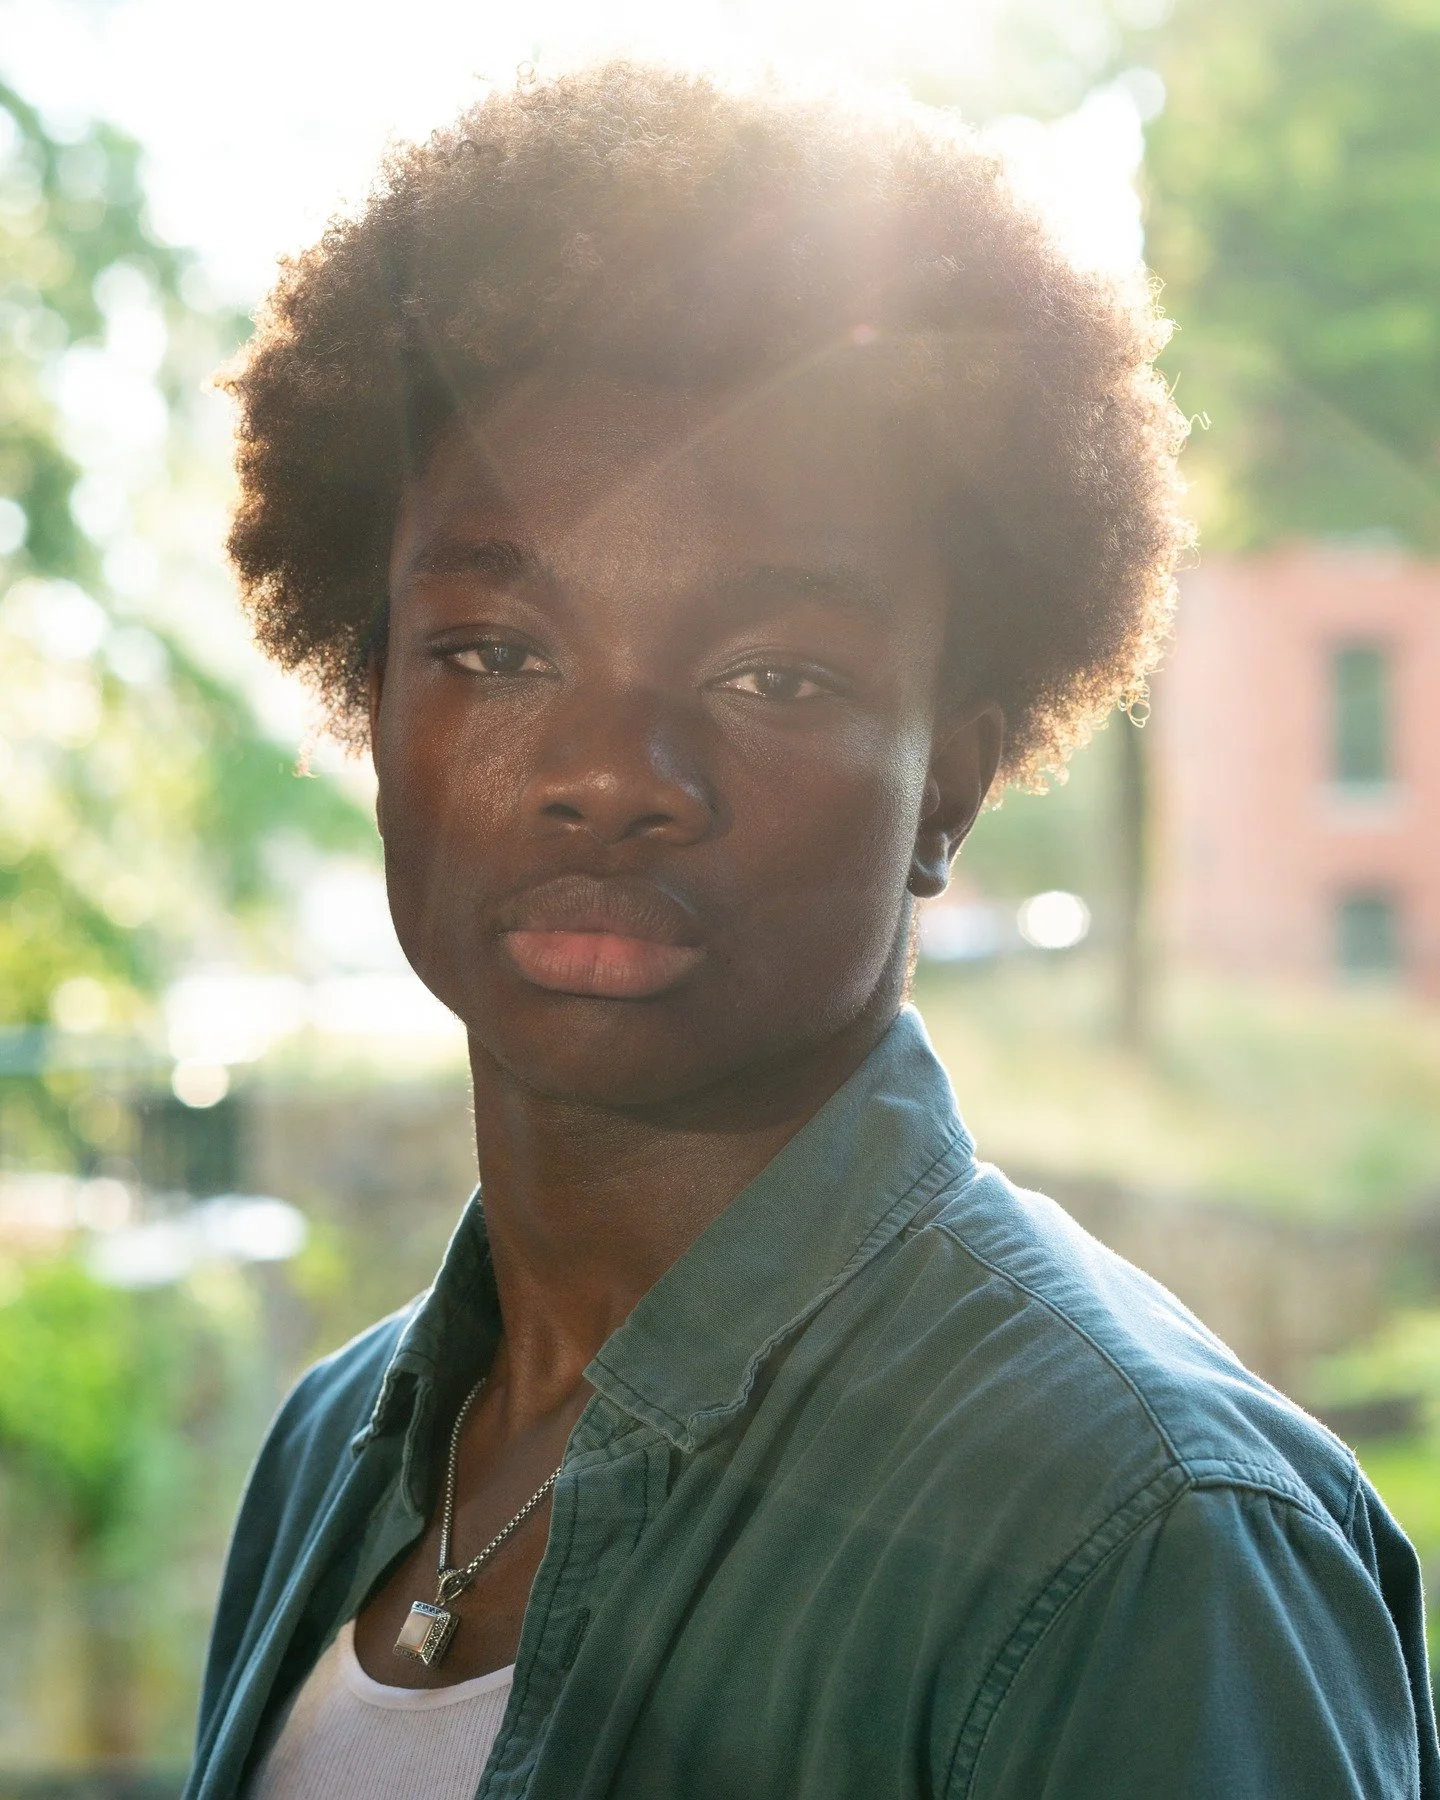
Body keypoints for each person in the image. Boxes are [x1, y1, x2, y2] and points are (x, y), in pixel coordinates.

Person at [184, 63, 1437, 1800]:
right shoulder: (338, 1446)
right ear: (370, 699)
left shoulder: (1147, 1533)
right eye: (495, 651)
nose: (614, 772)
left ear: (953, 787)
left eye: (773, 674)